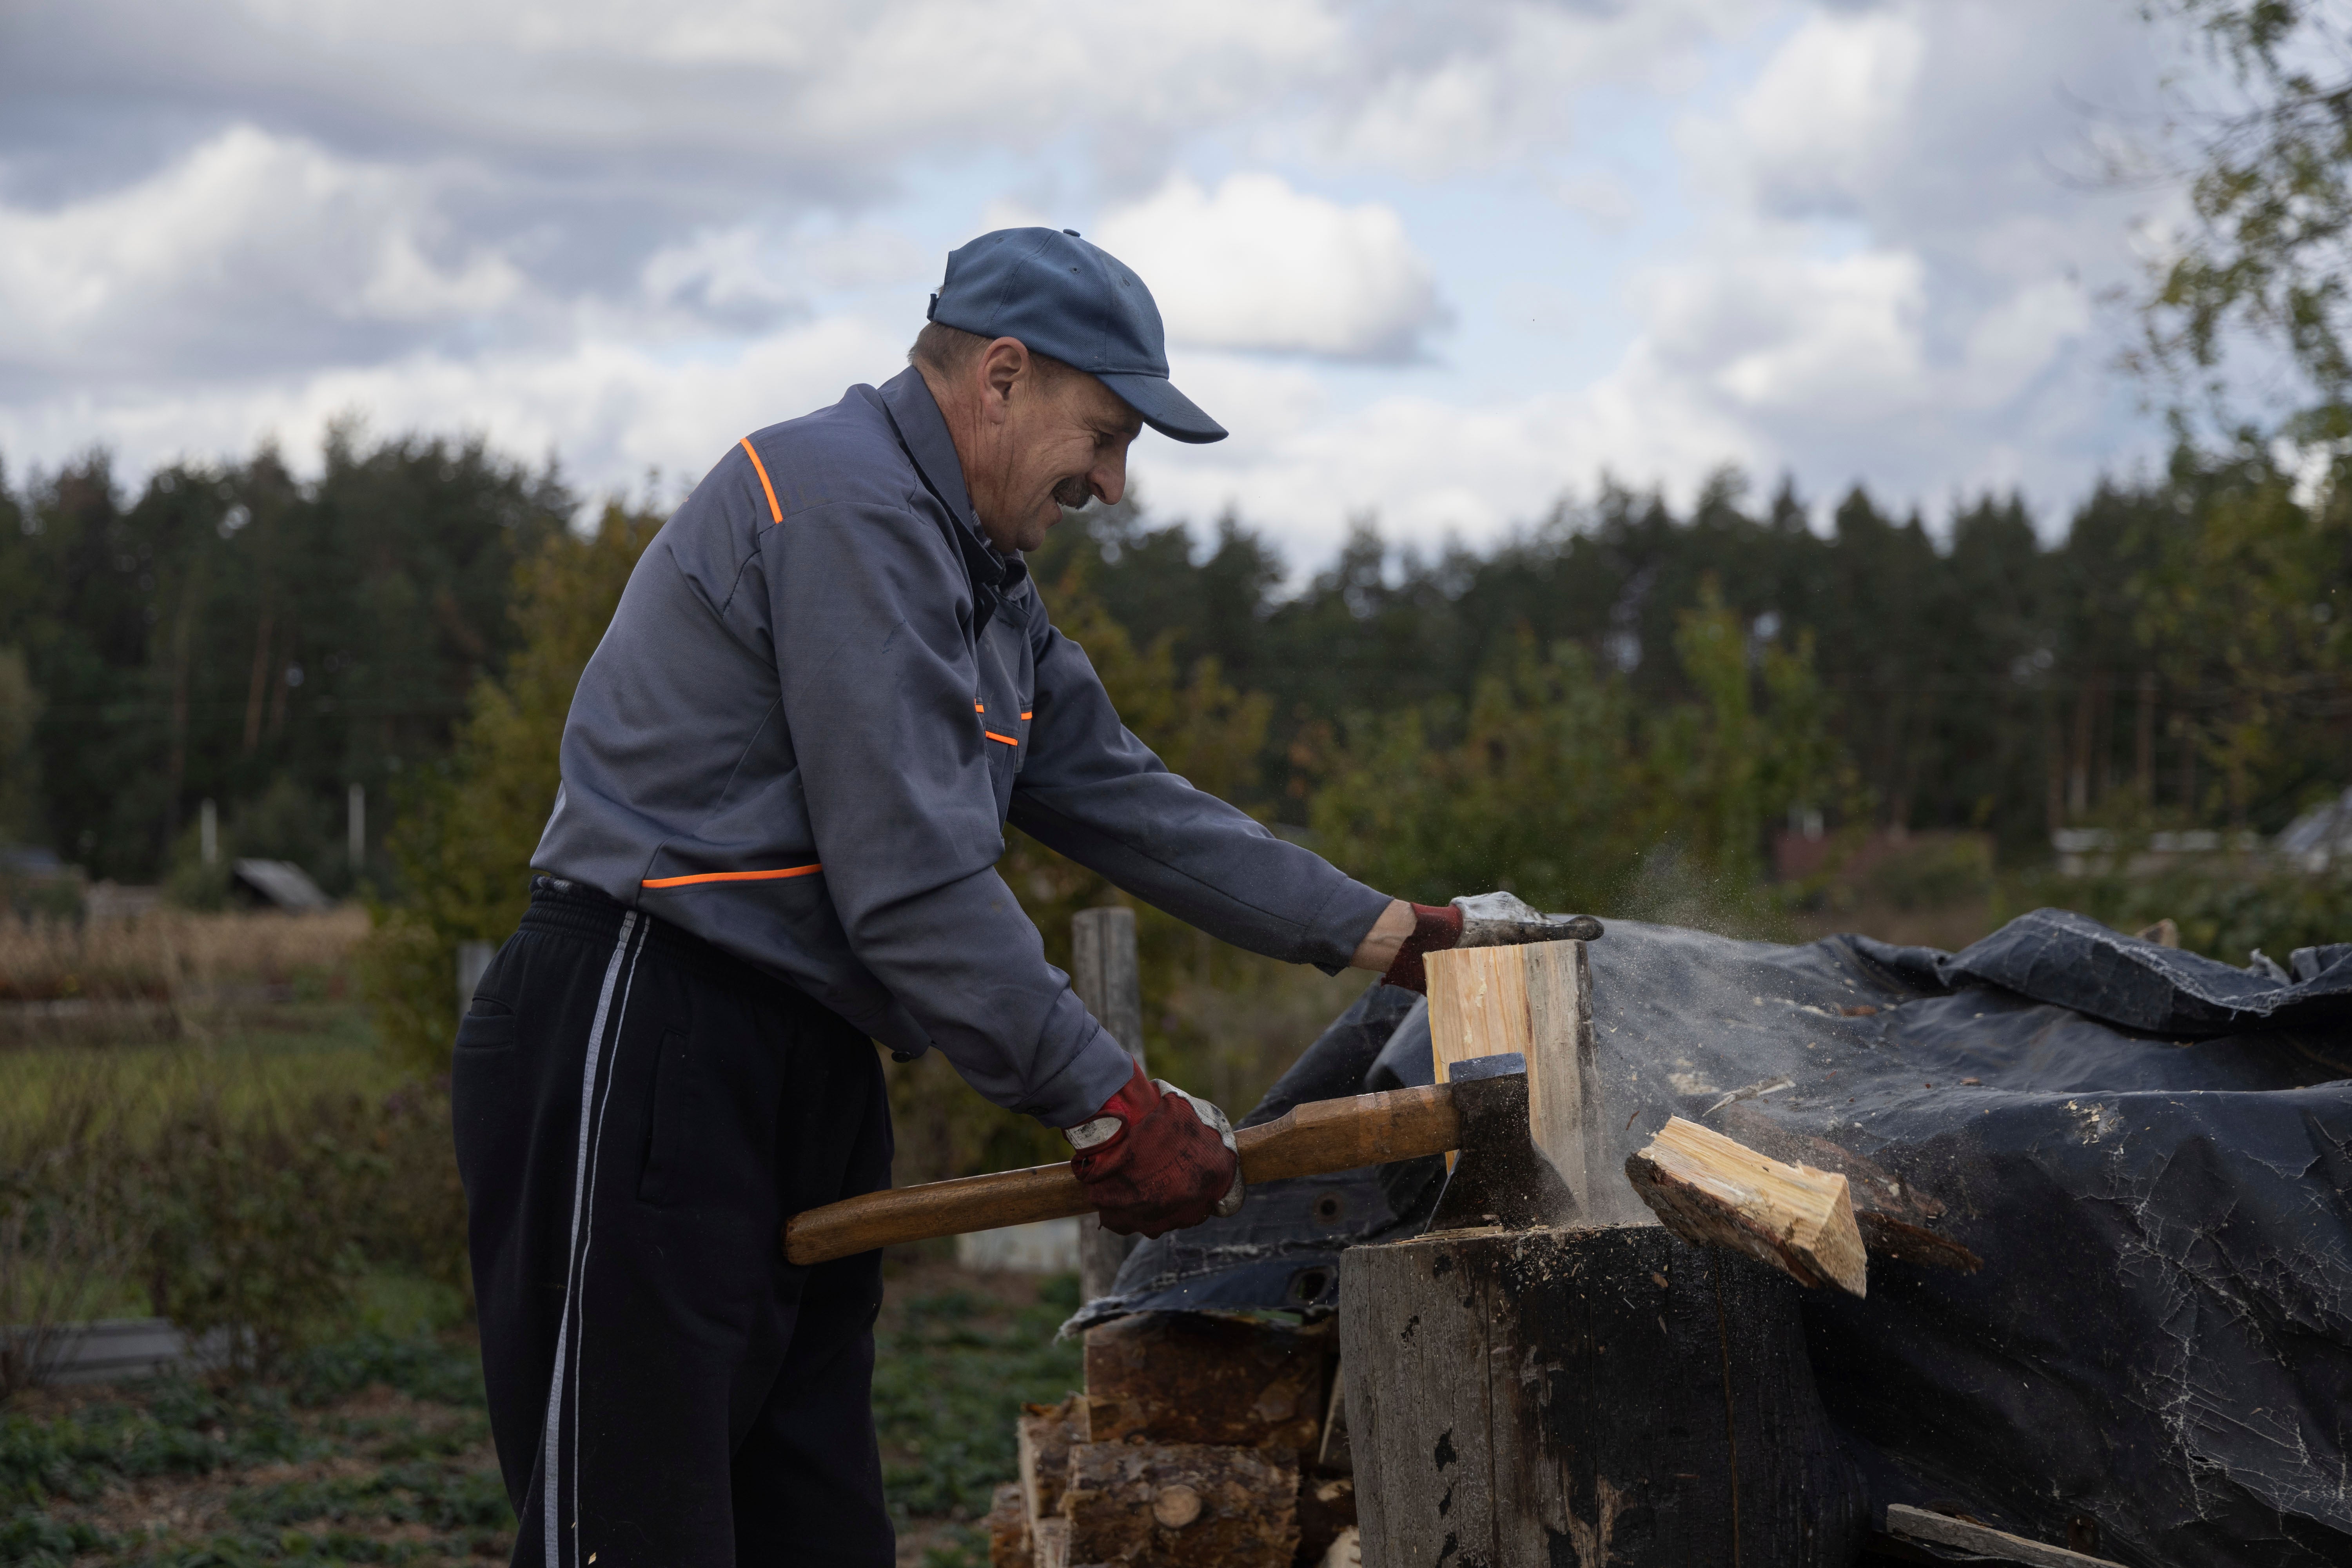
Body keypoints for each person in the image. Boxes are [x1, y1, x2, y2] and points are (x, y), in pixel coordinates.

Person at [450, 227, 1487, 1567]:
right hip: (648, 1032)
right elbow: (914, 883)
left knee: (811, 1523)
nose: (1114, 485)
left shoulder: (985, 585)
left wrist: (1387, 934)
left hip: (801, 1060)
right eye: (1106, 435)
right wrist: (1110, 1099)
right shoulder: (842, 506)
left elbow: (1129, 797)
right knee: (638, 1529)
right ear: (1000, 378)